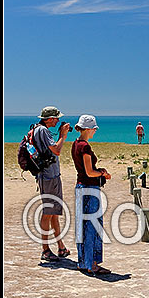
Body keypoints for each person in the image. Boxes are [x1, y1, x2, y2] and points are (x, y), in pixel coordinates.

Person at [71, 115, 113, 275]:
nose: (95, 131)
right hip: (89, 188)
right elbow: (90, 172)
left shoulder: (75, 144)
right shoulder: (85, 147)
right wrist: (103, 173)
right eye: (94, 129)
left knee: (82, 226)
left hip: (80, 187)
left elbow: (84, 170)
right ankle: (92, 264)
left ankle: (83, 262)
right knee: (92, 226)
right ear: (88, 129)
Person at [32, 106, 70, 261]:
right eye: (56, 118)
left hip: (49, 175)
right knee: (48, 212)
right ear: (49, 119)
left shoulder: (38, 130)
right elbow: (56, 150)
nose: (58, 120)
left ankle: (60, 247)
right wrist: (63, 135)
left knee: (54, 212)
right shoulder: (43, 131)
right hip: (48, 176)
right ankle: (46, 249)